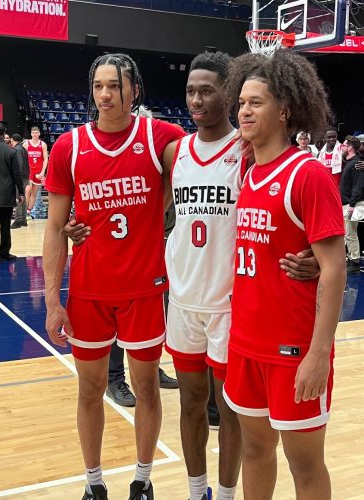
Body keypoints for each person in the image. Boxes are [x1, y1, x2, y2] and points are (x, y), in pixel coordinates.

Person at [66, 51, 320, 500]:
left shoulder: (246, 152)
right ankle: (196, 490)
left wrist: (316, 257)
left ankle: (224, 493)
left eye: (209, 90)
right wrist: (83, 223)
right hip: (182, 299)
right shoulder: (177, 150)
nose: (198, 100)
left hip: (229, 302)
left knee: (231, 413)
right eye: (191, 91)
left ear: (231, 93)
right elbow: (140, 199)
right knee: (189, 403)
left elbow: (286, 203)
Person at [43, 53, 185, 500]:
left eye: (115, 86)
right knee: (91, 390)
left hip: (144, 289)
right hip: (88, 292)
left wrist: (155, 210)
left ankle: (143, 480)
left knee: (146, 387)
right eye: (99, 86)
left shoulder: (161, 135)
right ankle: (93, 483)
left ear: (134, 90)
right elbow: (53, 227)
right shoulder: (69, 145)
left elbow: (208, 163)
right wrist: (52, 300)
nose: (105, 95)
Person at [224, 48, 346, 500]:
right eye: (241, 102)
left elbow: (334, 269)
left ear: (285, 110)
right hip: (246, 342)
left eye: (256, 102)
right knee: (254, 449)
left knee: (305, 464)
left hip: (293, 349)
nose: (244, 110)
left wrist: (318, 354)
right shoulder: (246, 170)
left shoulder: (308, 174)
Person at [0, 122, 24, 263]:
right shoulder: (11, 151)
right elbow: (17, 174)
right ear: (4, 135)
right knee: (4, 224)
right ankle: (4, 253)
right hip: (6, 192)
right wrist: (20, 192)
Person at [340, 135, 364, 274]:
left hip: (351, 204)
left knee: (350, 233)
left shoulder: (357, 164)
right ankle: (350, 258)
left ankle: (354, 261)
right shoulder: (349, 162)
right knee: (347, 233)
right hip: (347, 203)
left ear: (350, 148)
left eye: (343, 145)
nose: (341, 147)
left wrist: (352, 205)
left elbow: (358, 186)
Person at [23, 126, 48, 213]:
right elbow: (22, 158)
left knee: (34, 193)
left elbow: (45, 159)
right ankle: (24, 209)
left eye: (36, 132)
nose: (34, 134)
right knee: (28, 189)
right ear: (31, 134)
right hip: (29, 171)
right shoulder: (26, 144)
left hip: (38, 171)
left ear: (39, 134)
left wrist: (43, 172)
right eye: (33, 132)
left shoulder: (43, 144)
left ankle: (29, 211)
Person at [10, 133, 30, 228]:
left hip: (21, 176)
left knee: (18, 197)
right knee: (23, 198)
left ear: (12, 140)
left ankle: (18, 220)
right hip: (26, 176)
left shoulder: (17, 149)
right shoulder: (23, 149)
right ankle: (23, 220)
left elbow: (20, 164)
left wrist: (17, 176)